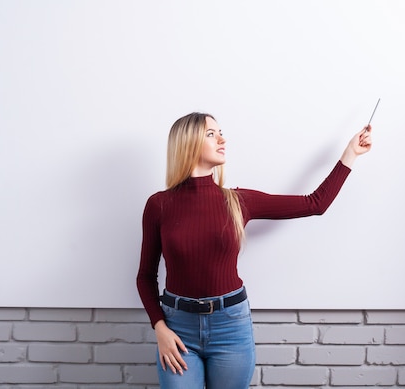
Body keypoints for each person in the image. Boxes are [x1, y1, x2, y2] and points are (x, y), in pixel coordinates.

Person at [136, 111, 372, 389]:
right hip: (178, 328)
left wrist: (350, 154)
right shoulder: (159, 205)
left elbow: (315, 203)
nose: (222, 139)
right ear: (187, 143)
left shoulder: (238, 201)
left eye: (220, 132)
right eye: (211, 134)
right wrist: (160, 328)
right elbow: (145, 276)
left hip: (230, 326)